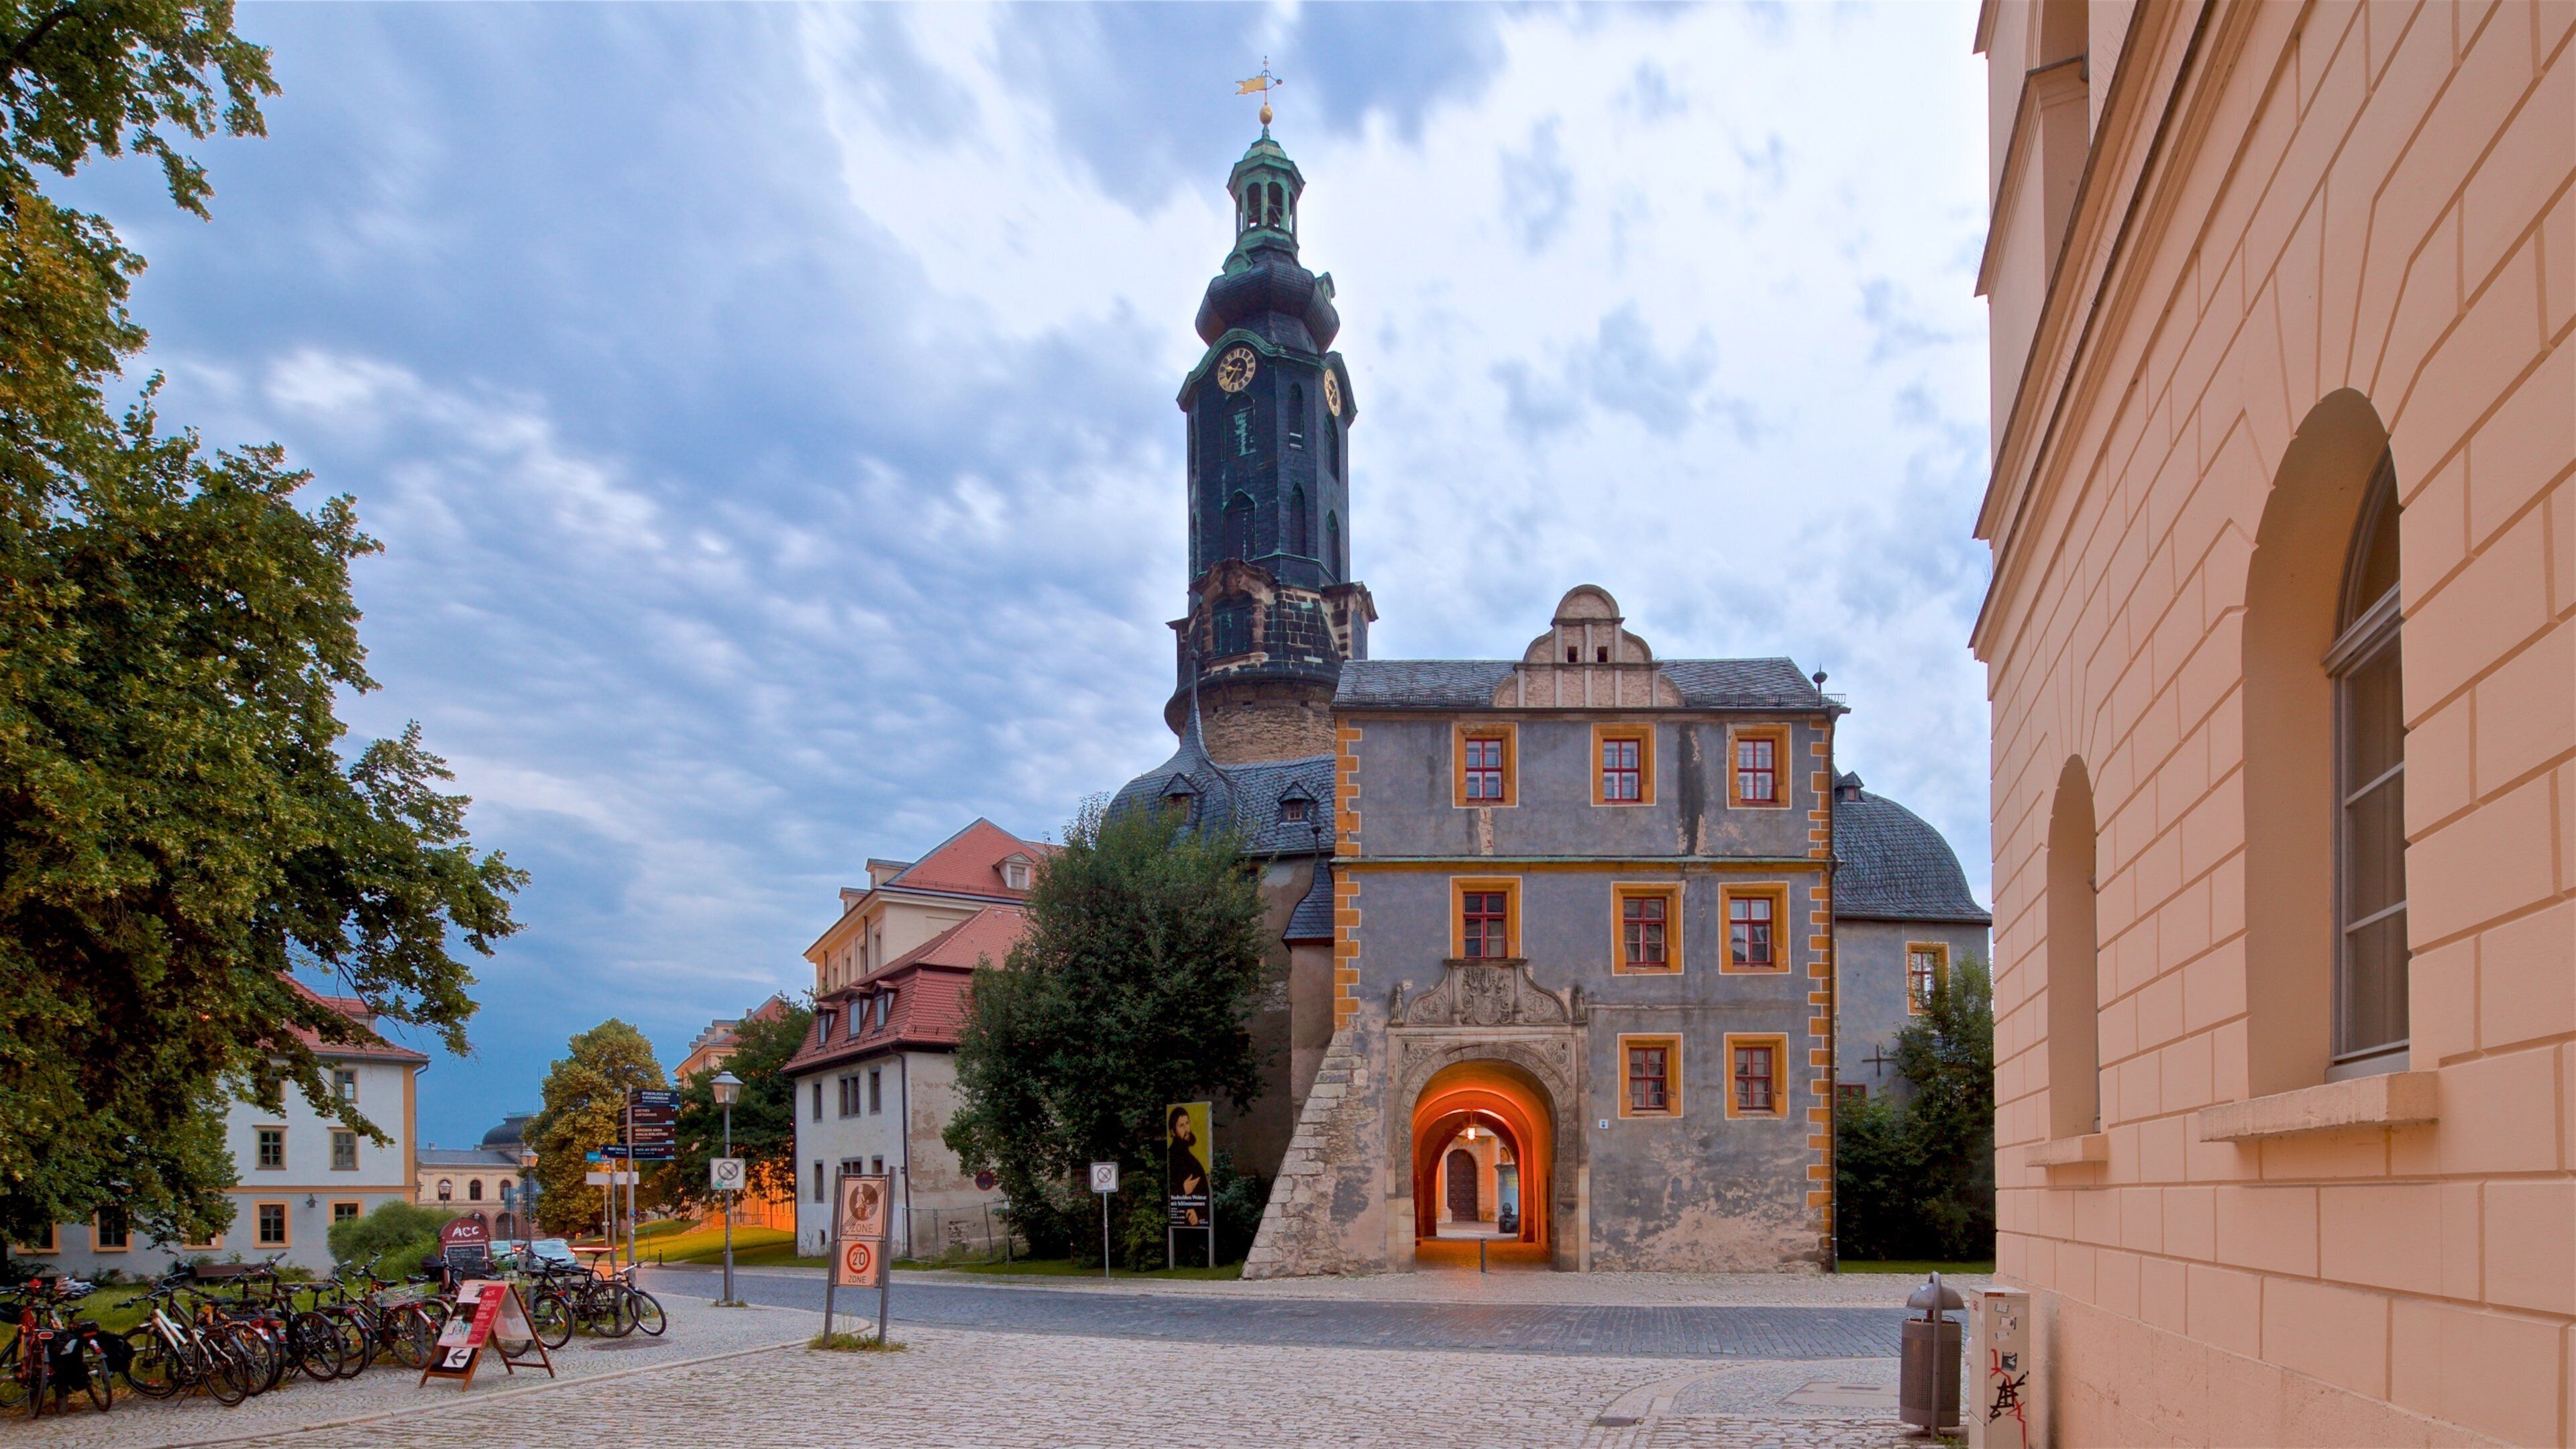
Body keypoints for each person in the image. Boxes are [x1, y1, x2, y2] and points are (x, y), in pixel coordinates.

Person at [1166, 1106, 1210, 1228]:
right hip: (1183, 1225)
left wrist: (1199, 1214)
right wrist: (1183, 1190)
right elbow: (1169, 1193)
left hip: (1196, 1223)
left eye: (1187, 1123)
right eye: (1181, 1126)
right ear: (1173, 1132)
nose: (1187, 1129)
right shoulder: (1172, 1158)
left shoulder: (1188, 1156)